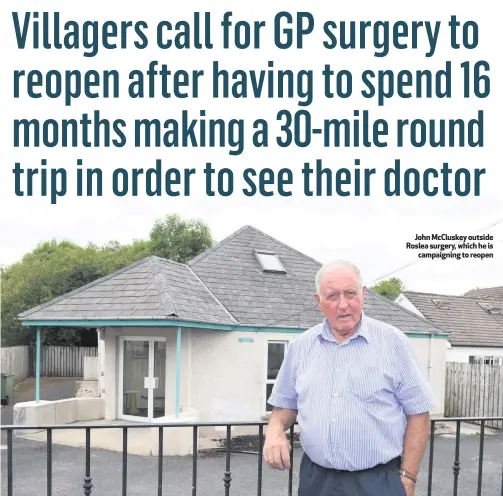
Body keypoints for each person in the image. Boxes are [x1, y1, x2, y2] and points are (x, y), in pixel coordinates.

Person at [263, 260, 437, 496]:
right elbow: (284, 406)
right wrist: (274, 430)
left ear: (363, 294)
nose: (343, 305)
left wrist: (408, 478)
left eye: (351, 294)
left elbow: (419, 413)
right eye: (333, 296)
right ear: (319, 302)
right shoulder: (301, 347)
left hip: (378, 481)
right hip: (317, 481)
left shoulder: (393, 343)